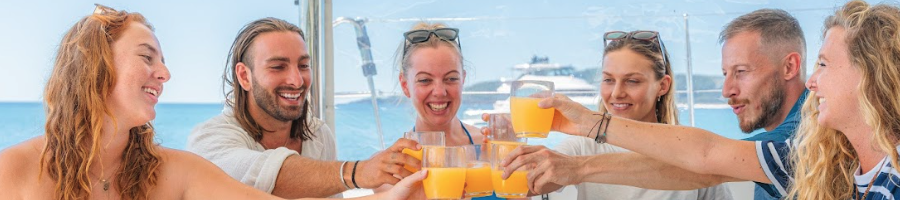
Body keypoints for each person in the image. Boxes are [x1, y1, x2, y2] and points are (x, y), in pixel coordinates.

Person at [0, 4, 424, 200]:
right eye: (147, 57)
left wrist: (390, 196)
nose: (165, 74)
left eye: (163, 61)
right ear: (93, 67)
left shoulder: (177, 171)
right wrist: (361, 174)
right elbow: (267, 174)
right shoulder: (12, 172)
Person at [502, 1, 900, 199]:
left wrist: (584, 148)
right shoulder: (809, 151)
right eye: (725, 73)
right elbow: (706, 156)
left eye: (740, 72)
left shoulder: (800, 142)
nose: (727, 89)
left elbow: (705, 164)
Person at [187, 18, 421, 198]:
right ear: (244, 76)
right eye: (278, 66)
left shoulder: (318, 135)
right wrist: (358, 172)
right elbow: (262, 174)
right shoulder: (208, 141)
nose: (297, 80)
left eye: (303, 65)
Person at [547, 30, 732, 199]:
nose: (616, 93)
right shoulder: (582, 146)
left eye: (632, 81)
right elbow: (530, 184)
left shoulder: (690, 150)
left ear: (662, 86)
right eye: (608, 80)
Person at [374, 22, 497, 200]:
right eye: (425, 80)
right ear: (405, 85)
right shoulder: (392, 169)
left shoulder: (491, 148)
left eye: (451, 78)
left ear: (463, 81)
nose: (439, 91)